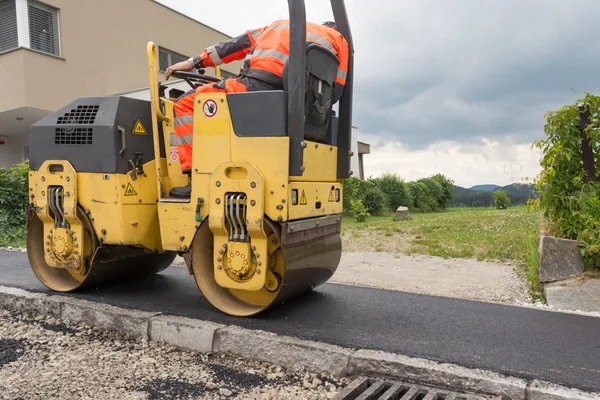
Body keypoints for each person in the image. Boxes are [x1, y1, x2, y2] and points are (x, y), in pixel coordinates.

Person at [164, 20, 349, 176]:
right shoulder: (340, 41)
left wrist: (193, 62)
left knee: (186, 103)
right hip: (298, 106)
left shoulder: (281, 25)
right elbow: (337, 91)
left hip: (254, 87)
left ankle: (194, 176)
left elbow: (234, 46)